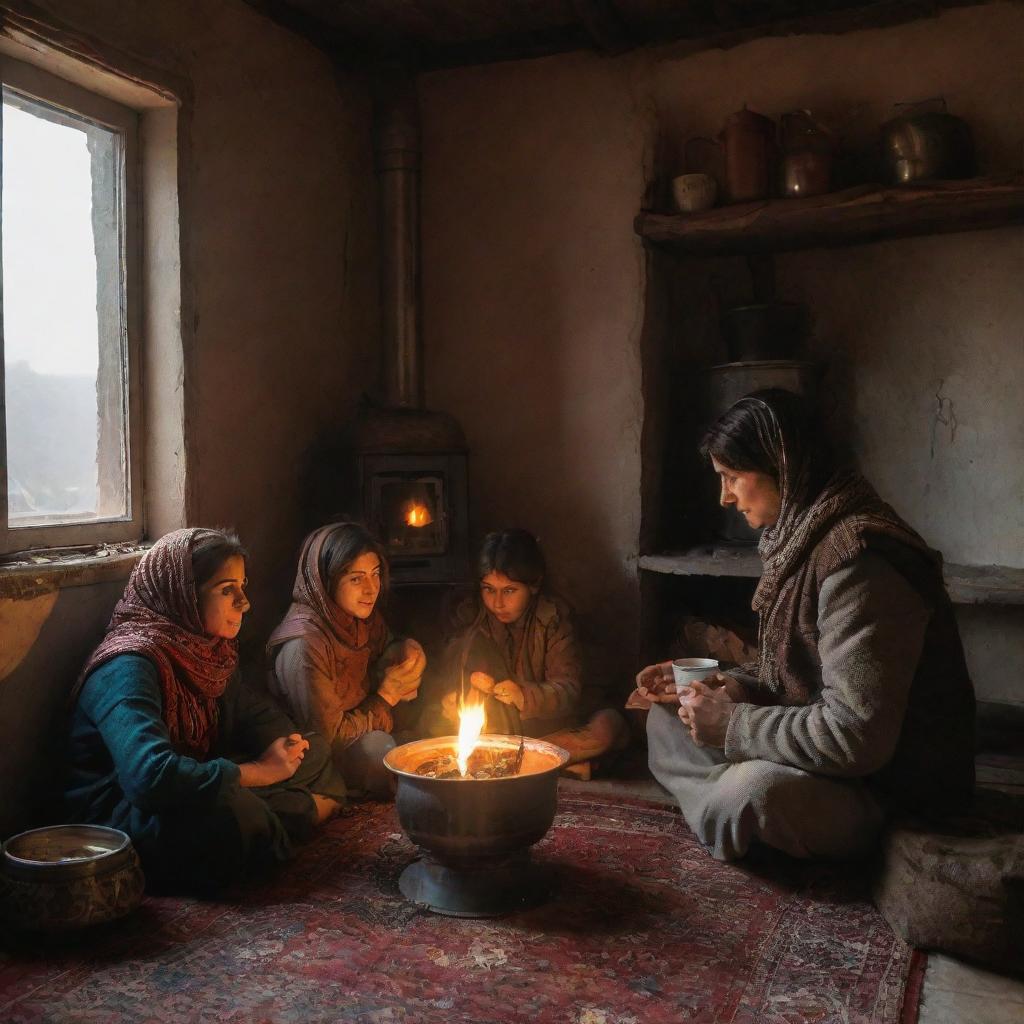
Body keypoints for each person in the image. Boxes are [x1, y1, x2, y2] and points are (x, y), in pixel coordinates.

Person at [636, 389, 975, 862]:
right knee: (666, 720)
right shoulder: (800, 538)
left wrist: (732, 724)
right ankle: (731, 816)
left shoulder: (860, 562)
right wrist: (726, 688)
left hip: (885, 789)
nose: (724, 497)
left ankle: (733, 811)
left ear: (783, 466)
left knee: (754, 793)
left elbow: (854, 738)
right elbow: (794, 675)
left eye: (732, 477)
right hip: (826, 764)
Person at [65, 528, 345, 892]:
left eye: (243, 587)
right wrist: (260, 772)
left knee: (315, 750)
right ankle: (299, 815)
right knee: (232, 816)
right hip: (126, 814)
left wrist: (286, 748)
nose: (244, 603)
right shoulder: (128, 664)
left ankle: (276, 819)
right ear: (182, 595)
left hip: (194, 783)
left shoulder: (207, 651)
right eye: (227, 589)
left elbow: (256, 714)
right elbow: (151, 779)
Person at [435, 528, 628, 766]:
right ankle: (546, 763)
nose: (497, 603)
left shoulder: (552, 619)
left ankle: (521, 760)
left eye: (509, 591)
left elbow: (568, 690)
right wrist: (458, 698)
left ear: (534, 585)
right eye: (489, 589)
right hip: (501, 728)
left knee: (605, 729)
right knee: (441, 725)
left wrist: (524, 696)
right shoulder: (474, 620)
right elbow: (454, 680)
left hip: (555, 726)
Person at [266, 522, 425, 799]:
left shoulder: (357, 618)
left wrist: (409, 650)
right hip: (322, 754)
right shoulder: (304, 644)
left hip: (367, 722)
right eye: (356, 578)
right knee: (379, 751)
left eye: (375, 575)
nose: (371, 588)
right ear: (326, 580)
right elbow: (328, 739)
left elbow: (388, 644)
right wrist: (386, 696)